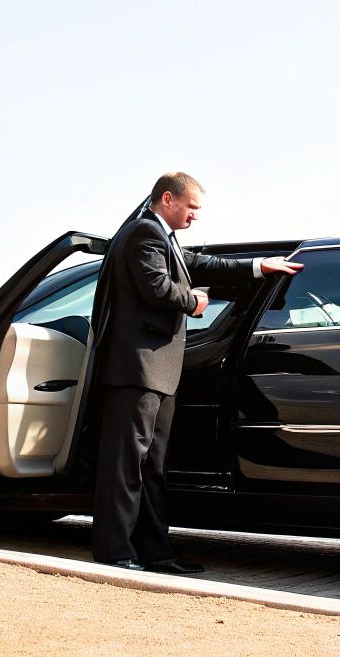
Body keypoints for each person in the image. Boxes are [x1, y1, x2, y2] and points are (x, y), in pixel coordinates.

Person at [91, 172, 302, 572]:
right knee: (126, 465)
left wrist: (259, 267)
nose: (195, 216)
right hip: (136, 369)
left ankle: (155, 553)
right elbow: (156, 287)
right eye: (191, 207)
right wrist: (193, 301)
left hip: (158, 370)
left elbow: (201, 263)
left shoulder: (162, 237)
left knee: (152, 467)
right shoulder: (143, 233)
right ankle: (115, 552)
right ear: (167, 199)